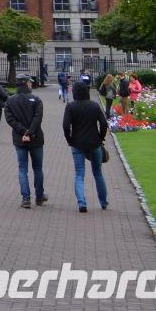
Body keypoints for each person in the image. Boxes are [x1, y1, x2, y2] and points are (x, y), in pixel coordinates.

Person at [62, 80, 110, 213]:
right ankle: (103, 202)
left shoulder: (71, 106)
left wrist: (69, 139)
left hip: (77, 143)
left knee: (79, 174)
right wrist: (101, 137)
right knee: (98, 173)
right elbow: (104, 123)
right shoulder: (94, 105)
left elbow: (66, 125)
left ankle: (82, 202)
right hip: (94, 142)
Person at [4, 76, 48, 208]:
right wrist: (30, 132)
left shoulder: (10, 101)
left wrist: (23, 132)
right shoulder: (36, 100)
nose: (31, 84)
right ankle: (39, 196)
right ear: (25, 84)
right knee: (38, 168)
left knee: (22, 169)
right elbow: (38, 118)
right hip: (35, 138)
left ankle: (26, 198)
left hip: (20, 139)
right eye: (29, 82)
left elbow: (10, 120)